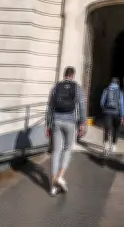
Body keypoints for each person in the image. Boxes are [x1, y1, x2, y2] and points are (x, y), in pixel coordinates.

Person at [46, 66, 86, 196]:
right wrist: (82, 123)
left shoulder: (56, 87)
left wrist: (48, 124)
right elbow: (81, 106)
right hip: (70, 122)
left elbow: (50, 107)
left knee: (56, 151)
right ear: (73, 75)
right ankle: (60, 176)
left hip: (56, 122)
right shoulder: (77, 88)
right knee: (67, 149)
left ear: (64, 75)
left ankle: (53, 186)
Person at [100, 77, 124, 155]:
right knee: (116, 129)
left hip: (107, 112)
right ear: (118, 83)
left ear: (110, 82)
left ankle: (105, 146)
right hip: (117, 113)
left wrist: (104, 109)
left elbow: (101, 102)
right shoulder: (120, 92)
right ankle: (113, 145)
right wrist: (123, 116)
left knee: (107, 129)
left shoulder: (106, 90)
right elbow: (122, 105)